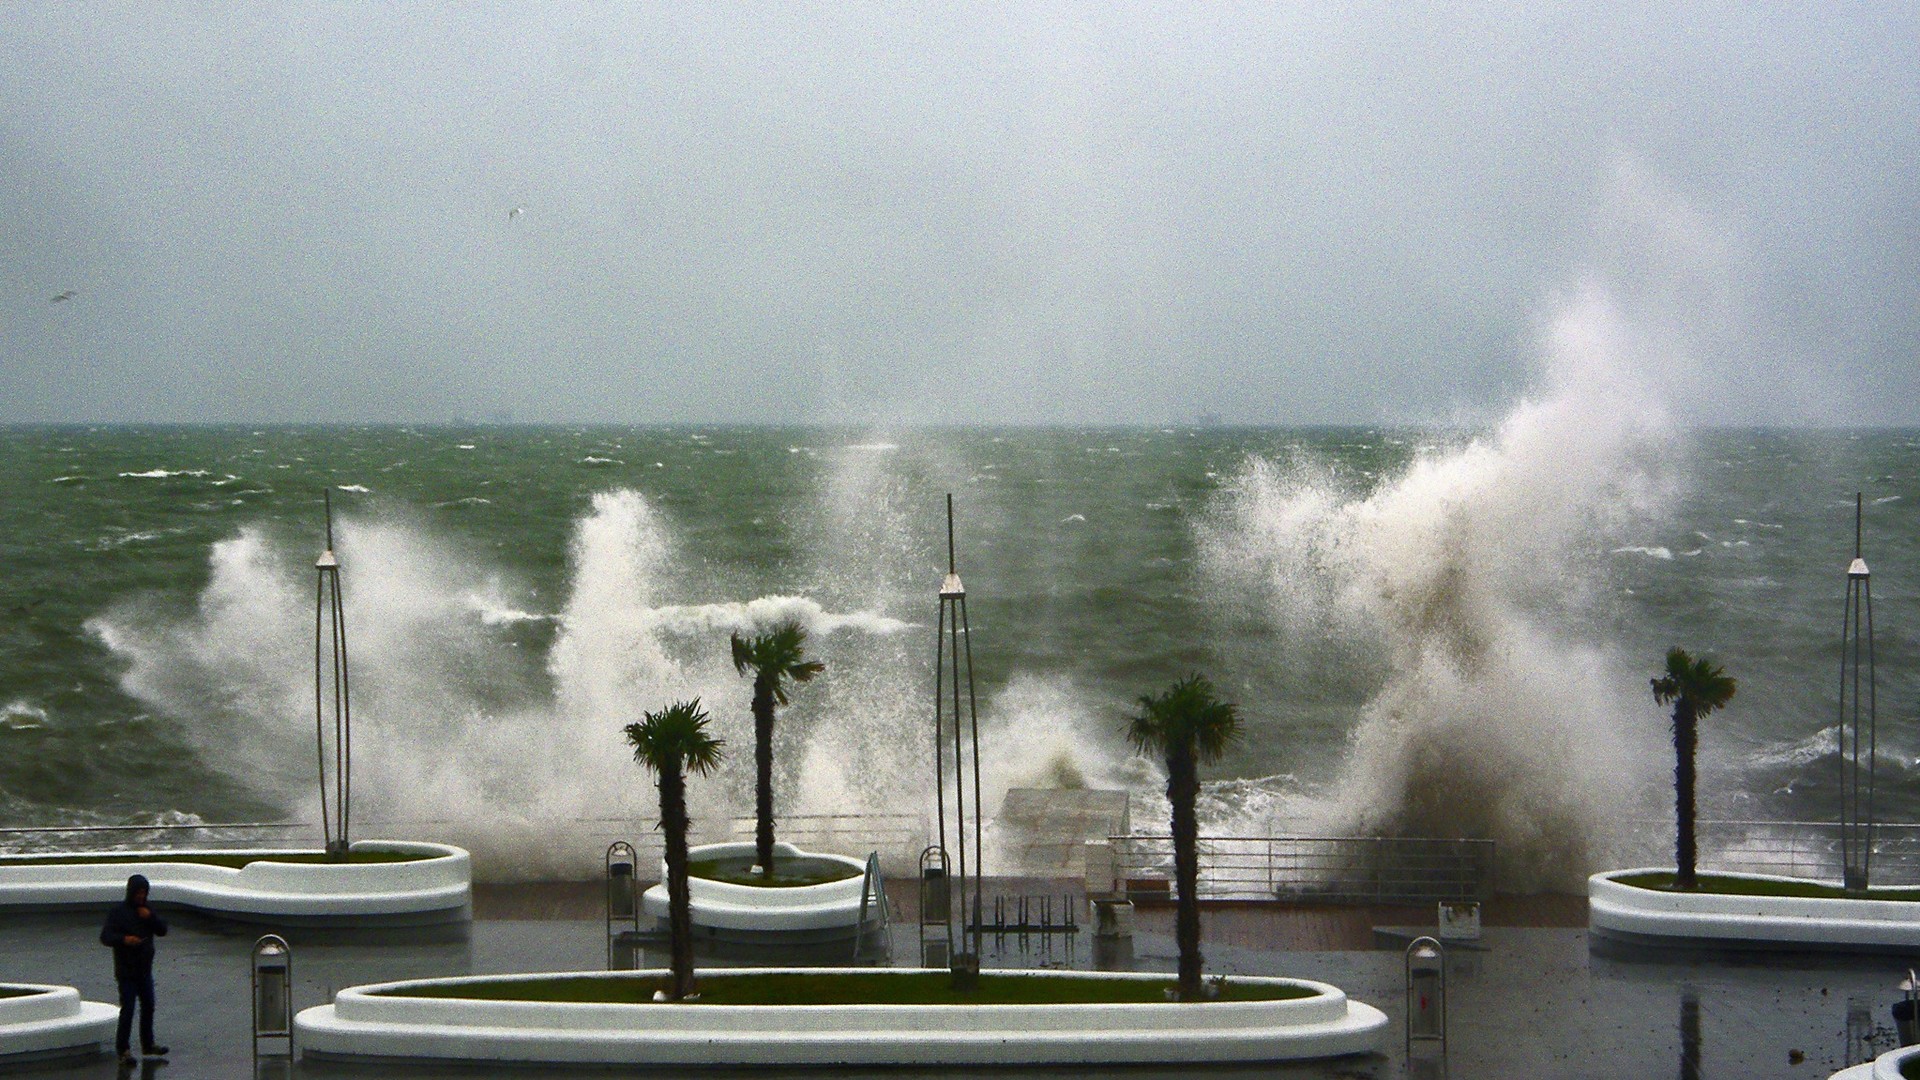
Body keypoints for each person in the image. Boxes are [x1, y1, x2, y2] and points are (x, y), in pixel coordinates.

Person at [99, 873, 168, 1064]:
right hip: (126, 972)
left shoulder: (146, 911)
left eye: (144, 893)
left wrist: (151, 917)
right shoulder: (118, 913)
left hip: (144, 970)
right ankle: (123, 1050)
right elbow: (105, 937)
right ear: (131, 892)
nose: (141, 896)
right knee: (128, 1009)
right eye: (138, 892)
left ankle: (148, 1044)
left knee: (148, 1007)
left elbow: (162, 930)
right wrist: (124, 940)